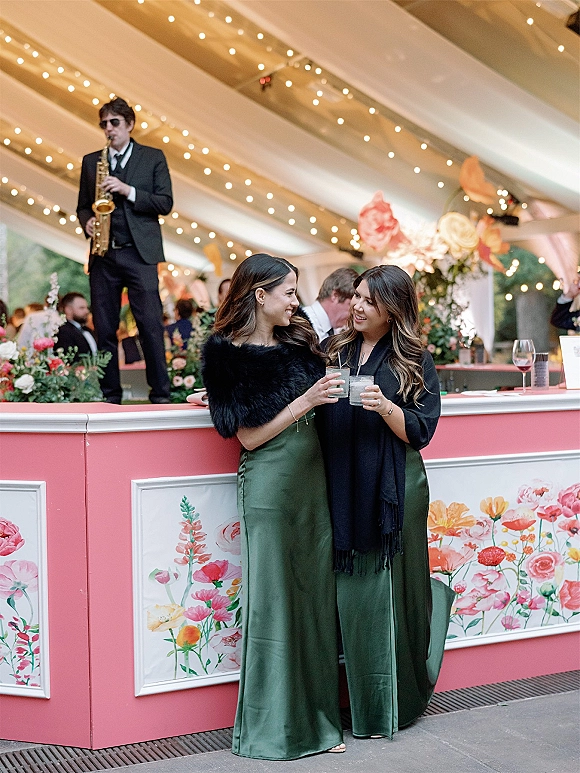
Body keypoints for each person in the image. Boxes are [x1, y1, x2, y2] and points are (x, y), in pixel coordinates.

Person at [201, 253, 345, 760]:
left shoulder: (297, 337)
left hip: (312, 483)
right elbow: (250, 437)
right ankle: (276, 729)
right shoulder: (226, 354)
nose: (296, 301)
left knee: (312, 599)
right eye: (288, 292)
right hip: (270, 488)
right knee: (276, 603)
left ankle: (319, 723)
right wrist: (306, 401)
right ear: (259, 295)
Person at [317, 265, 455, 740]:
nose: (356, 306)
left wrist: (385, 406)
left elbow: (422, 430)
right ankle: (356, 700)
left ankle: (396, 700)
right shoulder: (334, 350)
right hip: (341, 483)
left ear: (392, 309)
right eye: (355, 296)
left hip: (394, 490)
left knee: (393, 592)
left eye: (369, 302)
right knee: (353, 594)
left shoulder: (414, 359)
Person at [77, 97, 173, 404]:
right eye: (104, 124)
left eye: (114, 123)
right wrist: (88, 222)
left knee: (150, 325)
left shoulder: (153, 157)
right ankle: (110, 398)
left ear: (130, 124)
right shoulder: (91, 161)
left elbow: (165, 203)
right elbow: (81, 206)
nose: (108, 129)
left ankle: (160, 395)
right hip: (103, 255)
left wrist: (127, 190)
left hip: (139, 254)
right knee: (105, 329)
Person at [303, 267, 358, 341]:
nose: (353, 313)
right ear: (335, 296)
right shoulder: (303, 324)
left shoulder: (334, 329)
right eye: (351, 305)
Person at [54, 293, 97, 361]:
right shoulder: (63, 332)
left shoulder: (87, 330)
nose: (87, 311)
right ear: (68, 310)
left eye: (87, 308)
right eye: (81, 308)